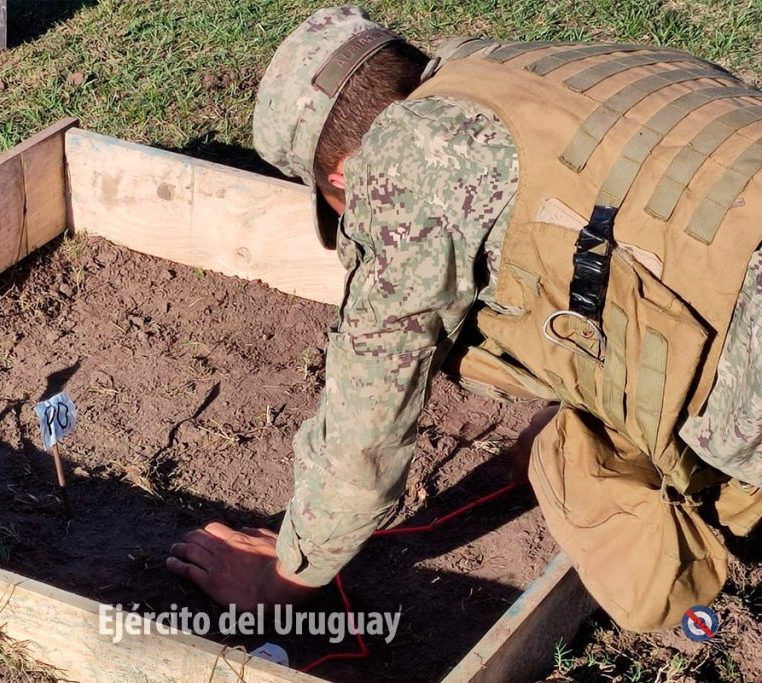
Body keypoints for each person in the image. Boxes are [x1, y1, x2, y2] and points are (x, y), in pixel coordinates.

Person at [167, 6, 762, 629]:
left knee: (604, 503)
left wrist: (282, 574)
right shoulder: (515, 69)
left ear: (341, 174)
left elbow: (366, 426)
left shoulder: (408, 164)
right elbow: (629, 229)